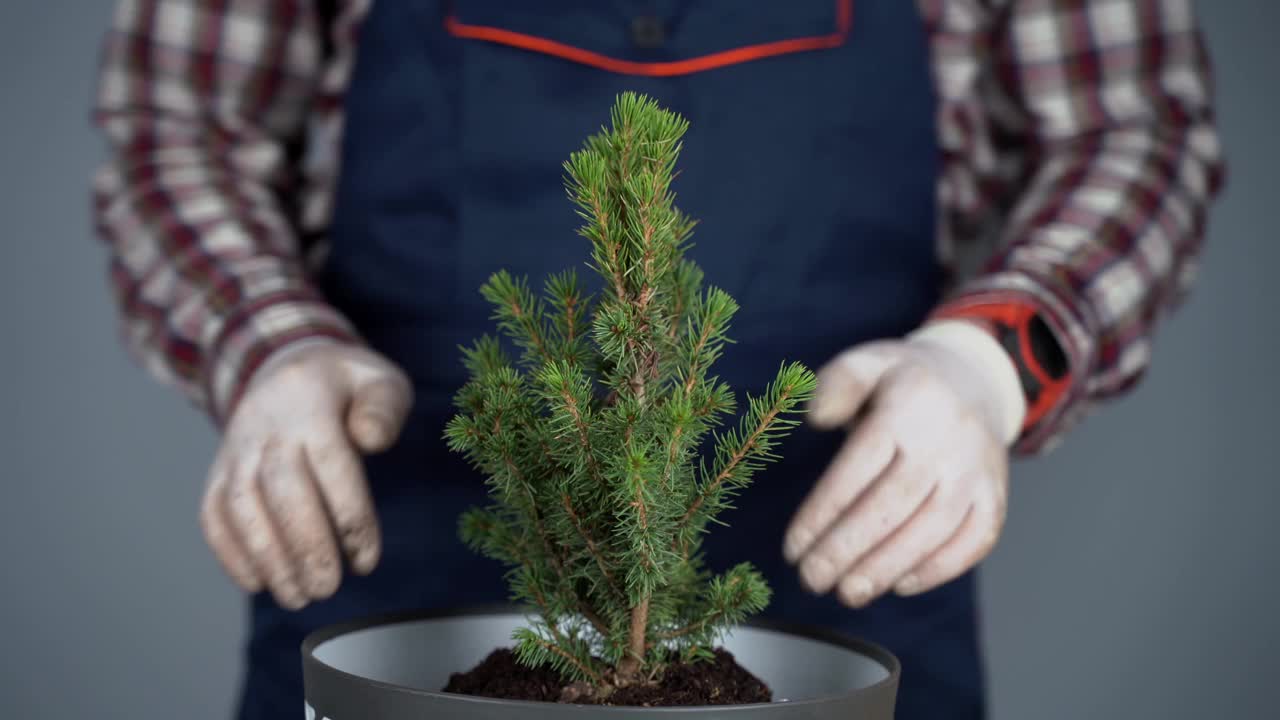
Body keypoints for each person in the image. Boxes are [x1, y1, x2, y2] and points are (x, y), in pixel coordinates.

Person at [91, 1, 1223, 718]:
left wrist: (988, 357)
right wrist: (266, 347)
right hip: (403, 578)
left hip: (844, 583)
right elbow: (178, 123)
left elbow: (1129, 126)